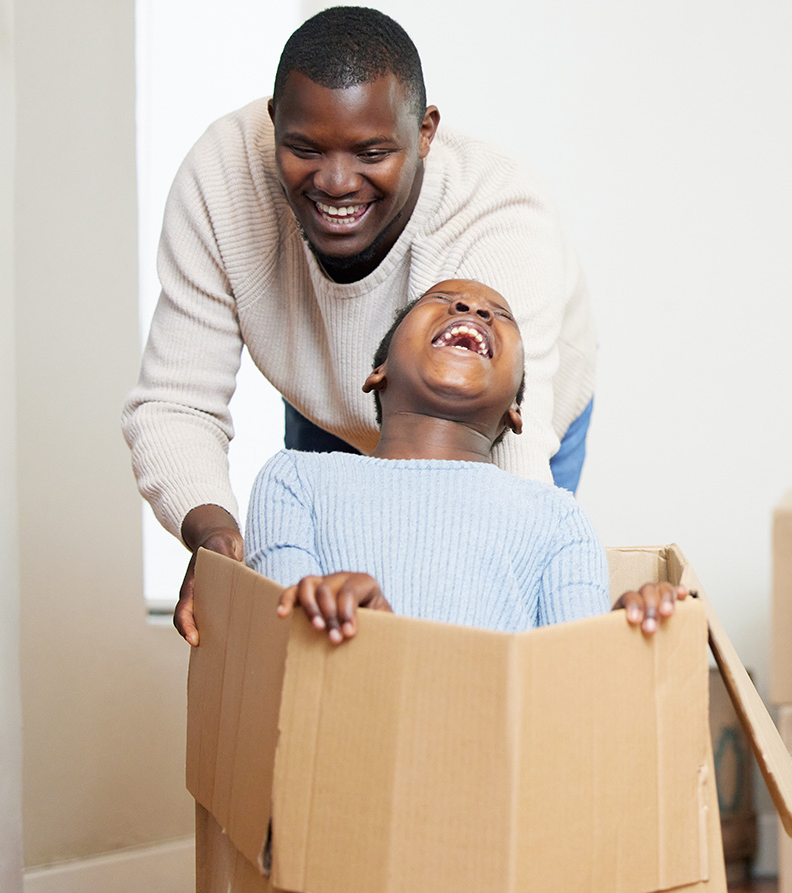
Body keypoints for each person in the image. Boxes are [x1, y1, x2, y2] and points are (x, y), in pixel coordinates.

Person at [122, 7, 598, 646]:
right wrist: (216, 543)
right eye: (304, 148)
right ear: (273, 125)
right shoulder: (222, 178)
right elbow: (177, 403)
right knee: (324, 634)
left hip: (503, 439)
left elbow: (509, 461)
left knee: (499, 603)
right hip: (323, 408)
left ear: (426, 133)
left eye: (372, 152)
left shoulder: (497, 218)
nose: (336, 182)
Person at [244, 280, 683, 640]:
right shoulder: (295, 478)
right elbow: (278, 646)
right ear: (378, 372)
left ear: (516, 410)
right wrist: (369, 640)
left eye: (501, 315)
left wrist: (620, 642)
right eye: (441, 299)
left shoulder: (556, 517)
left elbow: (569, 687)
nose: (473, 309)